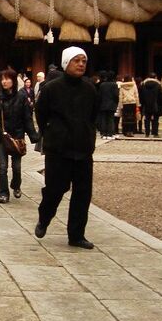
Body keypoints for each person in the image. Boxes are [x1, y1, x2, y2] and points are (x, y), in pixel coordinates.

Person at [35, 46, 99, 249]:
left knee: (82, 193)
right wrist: (52, 134)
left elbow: (93, 115)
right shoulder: (51, 88)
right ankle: (44, 218)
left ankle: (76, 234)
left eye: (84, 61)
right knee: (55, 189)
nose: (81, 64)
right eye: (76, 60)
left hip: (82, 149)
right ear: (66, 63)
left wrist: (88, 136)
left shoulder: (90, 88)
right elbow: (41, 114)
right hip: (58, 150)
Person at [0, 68, 39, 203]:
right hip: (1, 137)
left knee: (17, 167)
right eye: (2, 79)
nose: (4, 82)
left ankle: (16, 185)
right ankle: (3, 193)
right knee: (2, 167)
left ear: (13, 80)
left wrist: (33, 135)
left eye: (7, 79)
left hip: (17, 136)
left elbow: (27, 118)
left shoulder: (22, 97)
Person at [140, 73, 162, 138]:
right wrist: (160, 104)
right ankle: (155, 133)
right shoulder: (158, 85)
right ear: (155, 77)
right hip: (155, 104)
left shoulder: (143, 84)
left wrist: (142, 103)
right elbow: (161, 96)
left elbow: (141, 95)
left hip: (146, 104)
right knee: (156, 119)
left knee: (147, 119)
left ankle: (147, 133)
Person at [96, 71, 119, 140]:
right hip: (112, 104)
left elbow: (99, 95)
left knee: (103, 119)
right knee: (111, 119)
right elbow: (116, 95)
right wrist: (116, 103)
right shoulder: (114, 85)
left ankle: (103, 133)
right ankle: (110, 133)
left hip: (103, 104)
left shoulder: (102, 85)